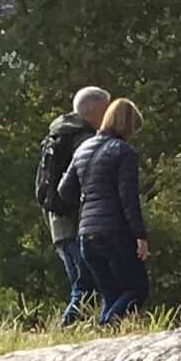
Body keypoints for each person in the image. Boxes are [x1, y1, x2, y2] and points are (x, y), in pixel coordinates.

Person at [66, 92, 150, 327]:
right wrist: (140, 236)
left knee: (111, 293)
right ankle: (106, 326)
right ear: (128, 126)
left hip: (86, 235)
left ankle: (105, 330)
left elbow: (65, 190)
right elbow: (128, 198)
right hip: (114, 232)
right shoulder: (124, 152)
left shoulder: (83, 149)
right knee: (137, 289)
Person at [39, 80, 110, 326]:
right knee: (86, 284)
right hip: (76, 223)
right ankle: (67, 329)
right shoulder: (83, 140)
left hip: (58, 223)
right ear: (96, 112)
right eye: (107, 110)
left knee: (84, 283)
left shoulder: (57, 135)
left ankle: (82, 329)